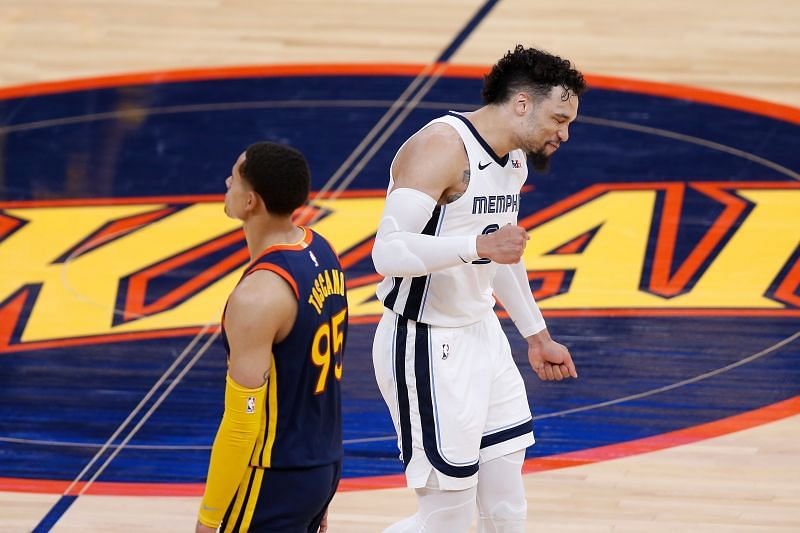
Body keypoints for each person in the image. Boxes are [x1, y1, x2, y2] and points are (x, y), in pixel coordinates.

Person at [371, 45, 585, 532]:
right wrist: (477, 246)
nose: (564, 134)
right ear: (522, 104)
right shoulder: (441, 148)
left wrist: (536, 334)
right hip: (425, 341)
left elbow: (502, 252)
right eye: (558, 118)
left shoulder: (513, 161)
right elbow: (387, 253)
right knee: (444, 520)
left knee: (507, 510)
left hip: (482, 335)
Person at [197, 142, 347, 533]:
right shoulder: (323, 251)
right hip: (321, 464)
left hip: (273, 476)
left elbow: (241, 424)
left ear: (251, 202)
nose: (227, 182)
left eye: (235, 177)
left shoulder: (257, 297)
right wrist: (320, 489)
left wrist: (209, 518)